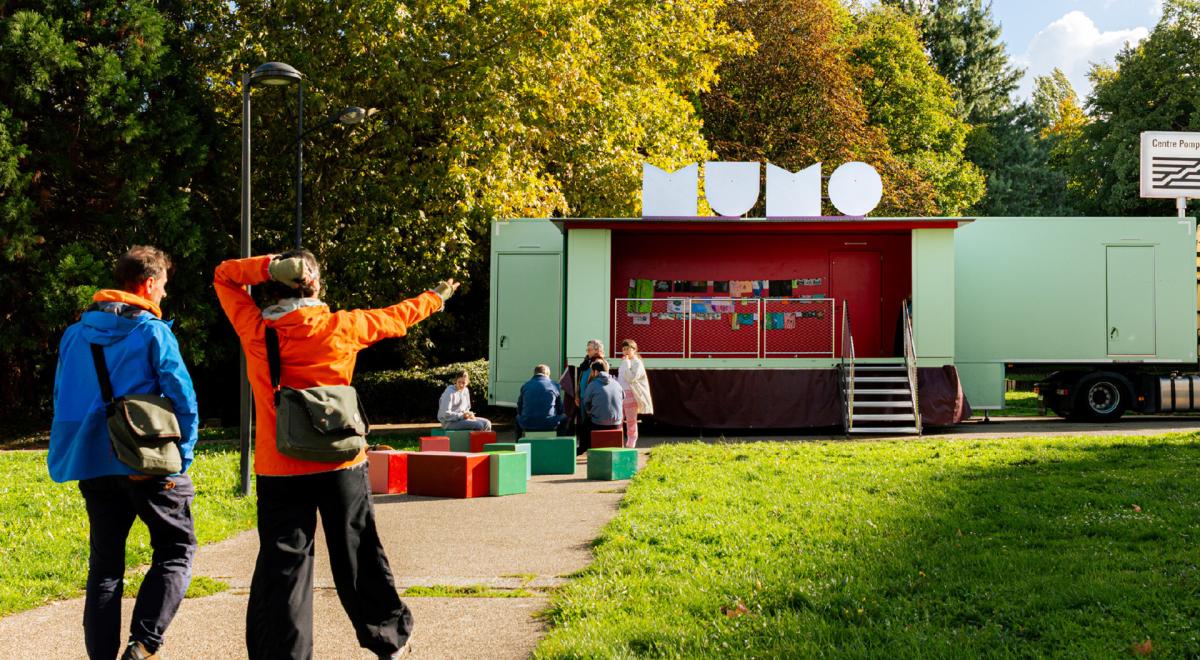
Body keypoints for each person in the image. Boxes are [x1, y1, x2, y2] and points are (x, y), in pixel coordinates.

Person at [214, 249, 457, 660]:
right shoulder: (343, 327)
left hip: (281, 465)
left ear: (272, 287)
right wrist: (435, 297)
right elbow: (397, 317)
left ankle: (282, 654)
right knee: (357, 549)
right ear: (316, 286)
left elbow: (224, 276)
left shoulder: (255, 330)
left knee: (284, 563)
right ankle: (387, 638)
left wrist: (268, 265)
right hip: (340, 460)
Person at [49, 246, 199, 660]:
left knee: (105, 569)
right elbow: (183, 398)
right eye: (164, 287)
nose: (164, 296)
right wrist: (181, 457)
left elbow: (63, 397)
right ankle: (144, 642)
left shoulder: (75, 333)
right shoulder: (152, 332)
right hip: (147, 463)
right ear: (149, 283)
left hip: (93, 463)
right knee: (176, 548)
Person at [580, 359, 624, 455]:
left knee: (585, 425)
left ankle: (582, 449)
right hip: (617, 424)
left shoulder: (592, 385)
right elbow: (622, 398)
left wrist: (588, 411)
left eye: (592, 371)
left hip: (598, 424)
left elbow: (585, 401)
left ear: (595, 372)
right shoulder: (617, 383)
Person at [617, 339, 654, 448]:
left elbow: (632, 378)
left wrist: (627, 364)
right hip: (621, 393)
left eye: (628, 348)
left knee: (631, 419)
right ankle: (618, 440)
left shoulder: (637, 362)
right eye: (624, 349)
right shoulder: (624, 362)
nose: (626, 351)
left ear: (634, 349)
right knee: (619, 418)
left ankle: (631, 442)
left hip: (631, 393)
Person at [516, 364, 565, 436]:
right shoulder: (554, 385)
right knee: (564, 418)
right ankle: (560, 442)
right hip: (549, 424)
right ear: (547, 374)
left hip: (527, 424)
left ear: (535, 373)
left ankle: (519, 443)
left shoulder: (525, 385)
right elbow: (560, 409)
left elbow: (519, 408)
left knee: (517, 418)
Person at [574, 339, 604, 448]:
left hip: (591, 399)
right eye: (587, 349)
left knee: (590, 424)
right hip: (582, 397)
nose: (587, 352)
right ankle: (584, 445)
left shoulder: (600, 363)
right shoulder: (587, 362)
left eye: (589, 349)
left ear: (597, 350)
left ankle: (590, 446)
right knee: (583, 424)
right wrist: (577, 395)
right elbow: (580, 379)